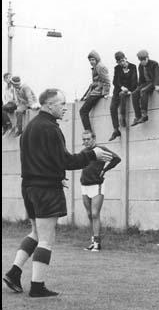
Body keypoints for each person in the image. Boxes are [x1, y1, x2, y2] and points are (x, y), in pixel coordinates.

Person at [2, 89, 112, 297]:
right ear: (48, 105)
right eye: (61, 103)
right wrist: (92, 154)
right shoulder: (51, 128)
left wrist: (55, 174)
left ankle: (14, 273)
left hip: (29, 187)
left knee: (35, 233)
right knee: (46, 238)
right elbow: (66, 160)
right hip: (45, 189)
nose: (64, 107)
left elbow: (37, 160)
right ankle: (37, 286)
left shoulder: (29, 128)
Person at [80, 130, 121, 251]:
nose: (86, 141)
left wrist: (104, 170)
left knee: (94, 213)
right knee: (89, 214)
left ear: (94, 139)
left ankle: (97, 243)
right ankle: (93, 241)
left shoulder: (100, 149)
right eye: (84, 139)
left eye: (88, 139)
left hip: (96, 184)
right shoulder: (83, 152)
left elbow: (116, 159)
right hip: (84, 185)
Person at [109, 51, 138, 141]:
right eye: (119, 62)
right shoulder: (117, 68)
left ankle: (123, 117)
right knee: (112, 107)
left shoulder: (133, 67)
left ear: (125, 58)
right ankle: (116, 130)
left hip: (129, 90)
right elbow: (115, 81)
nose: (122, 63)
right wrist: (121, 87)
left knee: (122, 95)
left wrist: (130, 90)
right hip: (119, 89)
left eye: (123, 60)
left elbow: (135, 80)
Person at [131, 50, 159, 126]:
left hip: (153, 82)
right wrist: (137, 88)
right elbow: (141, 79)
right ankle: (137, 116)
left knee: (143, 91)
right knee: (134, 93)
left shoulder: (154, 64)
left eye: (144, 60)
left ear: (147, 58)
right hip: (145, 83)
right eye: (140, 60)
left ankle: (144, 115)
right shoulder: (140, 66)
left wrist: (157, 85)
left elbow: (158, 75)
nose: (142, 62)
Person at [80, 50, 111, 131]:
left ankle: (88, 132)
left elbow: (107, 81)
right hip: (95, 91)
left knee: (83, 111)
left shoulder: (100, 67)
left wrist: (106, 93)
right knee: (83, 110)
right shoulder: (96, 67)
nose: (91, 62)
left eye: (93, 60)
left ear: (97, 59)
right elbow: (95, 82)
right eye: (90, 60)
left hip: (98, 92)